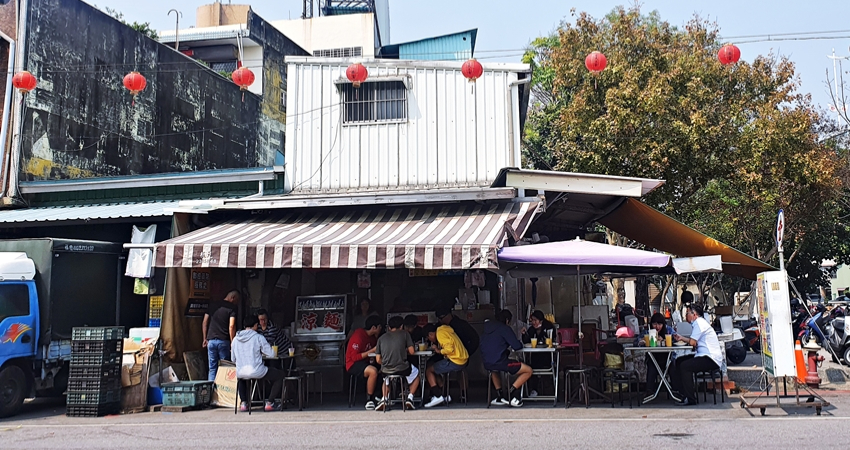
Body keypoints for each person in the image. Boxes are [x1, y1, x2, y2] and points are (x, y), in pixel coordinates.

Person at [670, 304, 723, 406]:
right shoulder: (699, 323)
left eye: (687, 313)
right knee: (679, 361)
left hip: (710, 358)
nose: (686, 316)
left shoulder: (699, 323)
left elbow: (692, 342)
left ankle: (690, 398)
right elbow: (694, 342)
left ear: (694, 314)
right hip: (703, 355)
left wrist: (684, 339)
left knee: (685, 366)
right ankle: (682, 393)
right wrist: (681, 338)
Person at [231, 315, 286, 412]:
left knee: (241, 378)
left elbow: (233, 359)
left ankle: (244, 403)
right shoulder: (258, 337)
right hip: (257, 371)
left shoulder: (235, 339)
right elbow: (271, 354)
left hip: (241, 371)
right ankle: (270, 403)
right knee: (280, 375)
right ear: (255, 325)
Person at [480, 309, 532, 407]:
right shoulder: (505, 329)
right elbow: (517, 346)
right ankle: (510, 394)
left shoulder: (486, 329)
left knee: (494, 370)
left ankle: (500, 396)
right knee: (528, 370)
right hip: (502, 362)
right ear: (507, 320)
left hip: (487, 363)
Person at [374, 316, 419, 411]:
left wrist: (386, 363)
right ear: (401, 326)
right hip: (402, 368)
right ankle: (410, 398)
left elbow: (378, 360)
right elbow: (412, 351)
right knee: (417, 374)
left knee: (386, 379)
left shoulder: (381, 338)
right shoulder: (405, 334)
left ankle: (384, 399)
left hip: (386, 369)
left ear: (389, 327)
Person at [423, 322, 469, 408]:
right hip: (462, 359)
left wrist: (438, 350)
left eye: (428, 338)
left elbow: (449, 349)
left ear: (430, 334)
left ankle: (438, 396)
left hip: (456, 361)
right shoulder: (445, 330)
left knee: (429, 370)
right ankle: (445, 395)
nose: (430, 340)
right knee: (434, 368)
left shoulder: (440, 334)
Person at [345, 315, 383, 410]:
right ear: (373, 327)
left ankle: (379, 396)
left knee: (384, 368)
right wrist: (372, 351)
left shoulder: (373, 338)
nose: (381, 329)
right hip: (353, 364)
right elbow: (354, 357)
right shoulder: (358, 335)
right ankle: (369, 399)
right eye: (379, 327)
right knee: (373, 371)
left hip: (366, 362)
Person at [202, 290, 240, 381]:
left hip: (211, 341)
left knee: (212, 368)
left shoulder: (212, 305)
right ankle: (222, 388)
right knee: (224, 367)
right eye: (236, 300)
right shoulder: (232, 308)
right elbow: (231, 326)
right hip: (223, 341)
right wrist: (232, 342)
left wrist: (204, 338)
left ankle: (211, 388)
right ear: (233, 298)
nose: (236, 303)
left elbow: (204, 322)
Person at [521, 310, 556, 397]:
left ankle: (553, 391)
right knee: (530, 365)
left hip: (548, 357)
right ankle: (534, 390)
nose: (533, 322)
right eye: (532, 320)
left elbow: (552, 340)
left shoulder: (549, 328)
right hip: (535, 356)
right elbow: (526, 341)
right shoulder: (531, 329)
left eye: (535, 320)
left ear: (541, 321)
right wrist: (524, 334)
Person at [644, 313, 676, 395]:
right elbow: (637, 341)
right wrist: (642, 341)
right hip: (653, 357)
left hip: (667, 358)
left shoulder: (668, 330)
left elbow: (676, 339)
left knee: (673, 366)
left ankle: (676, 390)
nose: (657, 327)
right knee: (651, 366)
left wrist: (664, 340)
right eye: (654, 324)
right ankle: (649, 391)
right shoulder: (648, 331)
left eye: (660, 324)